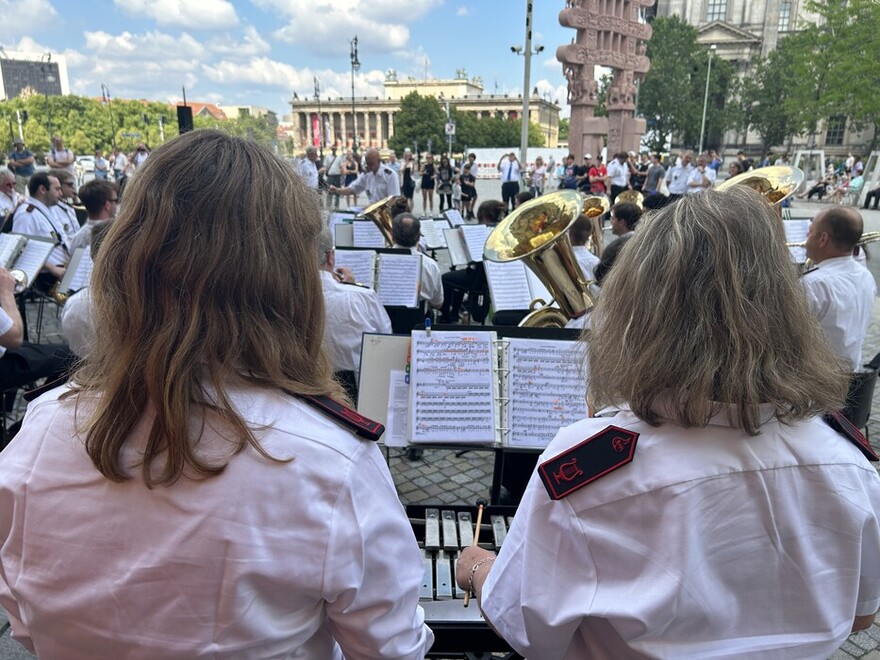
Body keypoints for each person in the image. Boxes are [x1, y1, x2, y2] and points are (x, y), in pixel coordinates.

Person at [0, 129, 433, 658]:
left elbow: (25, 619)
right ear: (289, 276)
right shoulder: (332, 461)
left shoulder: (39, 430)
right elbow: (391, 650)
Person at [456, 186, 880, 659]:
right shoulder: (849, 465)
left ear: (637, 311)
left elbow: (526, 628)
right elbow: (862, 613)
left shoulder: (584, 469)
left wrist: (476, 568)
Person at [803, 206, 875, 369]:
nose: (807, 235)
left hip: (817, 381)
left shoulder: (813, 284)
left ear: (823, 239)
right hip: (850, 374)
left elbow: (785, 339)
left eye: (810, 231)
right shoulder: (866, 276)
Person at [318, 226, 392, 377]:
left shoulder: (282, 298)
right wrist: (349, 288)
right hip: (355, 389)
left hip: (301, 388)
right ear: (330, 257)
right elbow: (385, 339)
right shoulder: (363, 296)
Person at [440, 200, 506, 324]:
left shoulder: (481, 231)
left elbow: (472, 260)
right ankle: (455, 311)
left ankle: (447, 316)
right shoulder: (501, 231)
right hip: (493, 277)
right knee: (459, 275)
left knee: (445, 278)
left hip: (478, 277)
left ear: (484, 217)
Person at [11, 172, 70, 282]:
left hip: (62, 270)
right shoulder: (26, 214)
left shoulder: (47, 209)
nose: (61, 193)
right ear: (42, 189)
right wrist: (52, 268)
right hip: (48, 276)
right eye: (57, 189)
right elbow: (22, 250)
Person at [391, 212, 443, 309]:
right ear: (419, 238)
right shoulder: (430, 265)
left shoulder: (376, 262)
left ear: (392, 236)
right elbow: (437, 303)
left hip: (383, 321)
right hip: (418, 322)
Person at [329, 148, 400, 206]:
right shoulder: (366, 175)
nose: (369, 167)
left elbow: (394, 197)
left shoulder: (390, 175)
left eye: (371, 164)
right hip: (372, 214)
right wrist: (337, 190)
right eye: (367, 163)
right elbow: (352, 189)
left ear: (378, 161)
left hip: (387, 214)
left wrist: (378, 210)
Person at [69, 178, 118, 251]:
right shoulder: (116, 235)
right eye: (115, 201)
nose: (116, 204)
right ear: (107, 205)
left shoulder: (77, 238)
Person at [324, 145, 344, 210]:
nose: (334, 150)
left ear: (336, 150)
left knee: (337, 192)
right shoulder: (327, 157)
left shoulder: (339, 158)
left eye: (335, 149)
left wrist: (342, 176)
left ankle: (336, 207)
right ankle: (328, 206)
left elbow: (341, 167)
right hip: (330, 176)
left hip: (337, 176)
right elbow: (326, 167)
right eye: (333, 149)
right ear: (331, 150)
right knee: (329, 191)